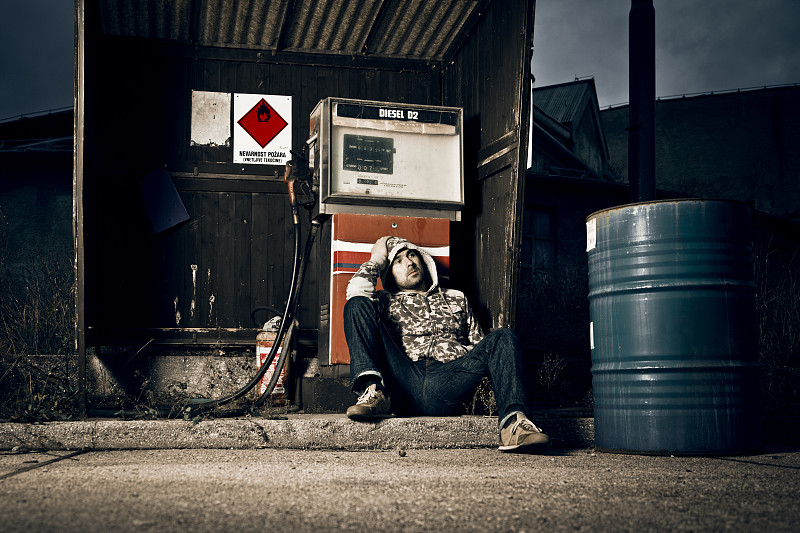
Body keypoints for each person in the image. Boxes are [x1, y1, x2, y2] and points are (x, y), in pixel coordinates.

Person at [342, 235, 550, 453]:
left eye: (411, 255)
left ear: (422, 260)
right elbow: (356, 292)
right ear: (389, 272)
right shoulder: (383, 300)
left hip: (450, 381)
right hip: (403, 379)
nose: (409, 263)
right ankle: (374, 391)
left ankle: (514, 425)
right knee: (356, 304)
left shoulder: (456, 297)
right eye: (398, 261)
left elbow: (482, 347)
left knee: (503, 337)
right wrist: (377, 259)